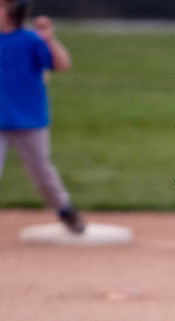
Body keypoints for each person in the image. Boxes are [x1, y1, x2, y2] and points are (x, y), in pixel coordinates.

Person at [0, 0, 85, 233]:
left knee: (41, 172)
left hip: (30, 121)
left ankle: (65, 210)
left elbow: (62, 64)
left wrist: (48, 37)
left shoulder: (30, 40)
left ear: (14, 12)